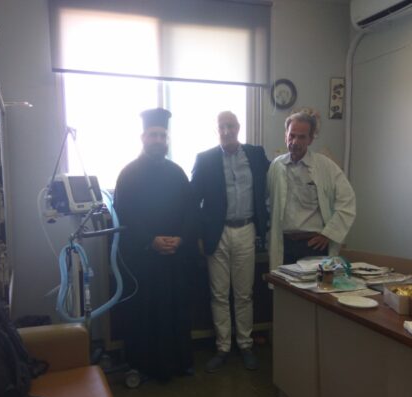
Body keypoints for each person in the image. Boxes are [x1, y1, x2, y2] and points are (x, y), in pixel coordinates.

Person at [114, 108, 196, 382]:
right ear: (143, 137)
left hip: (174, 258)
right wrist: (151, 240)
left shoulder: (177, 173)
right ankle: (144, 366)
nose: (158, 140)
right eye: (153, 135)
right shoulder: (128, 174)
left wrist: (181, 238)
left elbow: (190, 211)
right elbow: (124, 214)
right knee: (145, 312)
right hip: (144, 260)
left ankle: (179, 363)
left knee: (175, 310)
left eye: (162, 135)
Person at [191, 111, 269, 373]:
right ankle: (223, 347)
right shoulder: (205, 159)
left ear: (238, 127)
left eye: (230, 126)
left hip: (246, 229)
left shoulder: (256, 155)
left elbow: (273, 182)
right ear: (217, 130)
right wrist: (199, 235)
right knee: (219, 294)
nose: (226, 131)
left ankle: (245, 345)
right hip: (218, 233)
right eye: (221, 127)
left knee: (244, 294)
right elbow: (193, 201)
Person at [267, 111, 356, 270]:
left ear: (310, 139)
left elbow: (347, 202)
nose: (295, 142)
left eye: (302, 137)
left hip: (313, 244)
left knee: (313, 285)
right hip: (284, 244)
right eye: (292, 135)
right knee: (283, 285)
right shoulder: (276, 166)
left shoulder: (325, 167)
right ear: (285, 135)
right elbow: (268, 201)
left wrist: (329, 233)